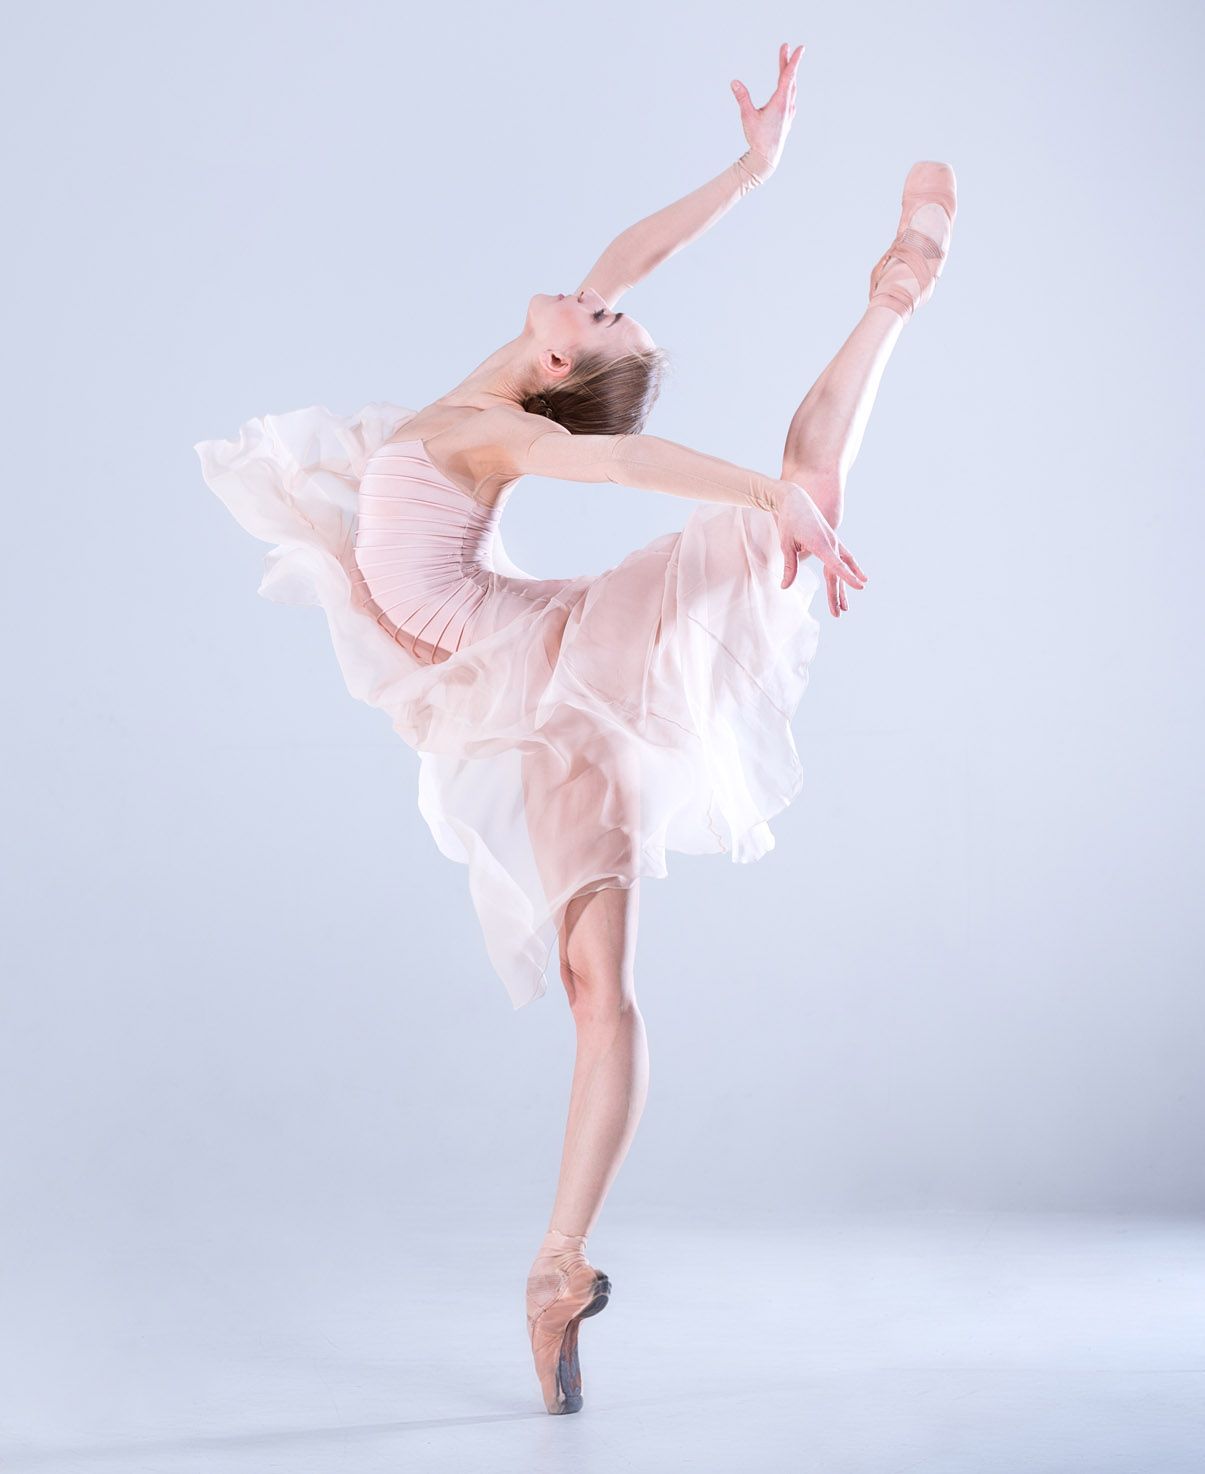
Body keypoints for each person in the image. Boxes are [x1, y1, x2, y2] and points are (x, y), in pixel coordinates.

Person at [195, 41, 956, 1416]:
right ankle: (556, 1271)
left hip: (561, 679)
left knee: (788, 503)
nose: (601, 300)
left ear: (561, 367)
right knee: (593, 986)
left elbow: (612, 455)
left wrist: (751, 492)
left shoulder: (516, 430)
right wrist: (750, 168)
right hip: (524, 666)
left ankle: (889, 301)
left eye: (602, 321)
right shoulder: (505, 372)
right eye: (605, 312)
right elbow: (630, 254)